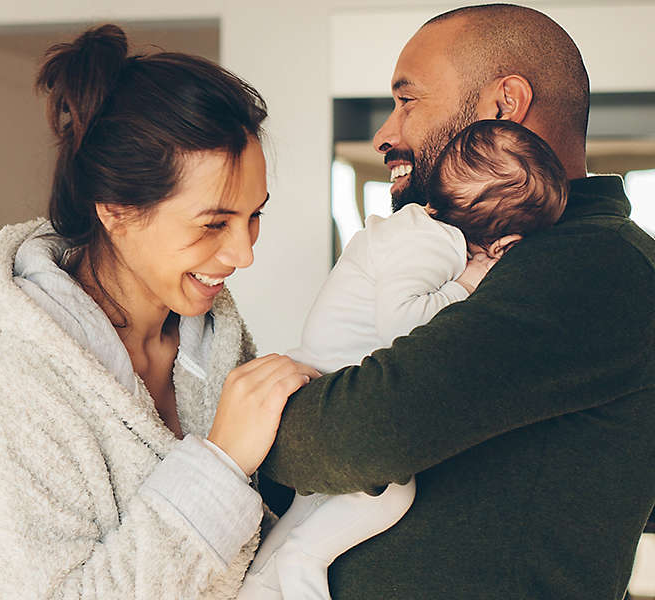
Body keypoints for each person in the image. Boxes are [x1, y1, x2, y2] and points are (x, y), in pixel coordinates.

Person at [258, 4, 655, 600]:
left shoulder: (592, 264)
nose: (385, 135)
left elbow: (365, 433)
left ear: (504, 105)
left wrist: (250, 433)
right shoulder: (499, 253)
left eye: (408, 101)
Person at [0, 25, 318, 600]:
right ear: (116, 210)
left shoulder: (213, 341)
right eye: (214, 223)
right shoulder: (9, 388)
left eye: (254, 215)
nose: (243, 254)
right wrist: (220, 465)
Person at [239, 119, 568, 599]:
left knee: (312, 512)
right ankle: (302, 561)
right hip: (334, 381)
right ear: (501, 241)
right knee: (392, 493)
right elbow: (405, 324)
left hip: (325, 382)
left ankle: (263, 584)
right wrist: (468, 283)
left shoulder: (416, 230)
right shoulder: (433, 243)